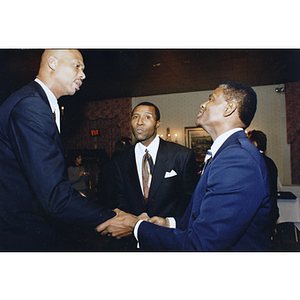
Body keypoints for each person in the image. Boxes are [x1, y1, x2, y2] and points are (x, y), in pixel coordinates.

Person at [96, 81, 273, 251]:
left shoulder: (237, 159)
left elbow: (202, 245)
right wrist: (169, 223)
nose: (203, 104)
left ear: (229, 108)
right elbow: (203, 217)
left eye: (211, 99)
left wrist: (136, 226)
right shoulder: (226, 154)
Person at [0, 49, 119, 251]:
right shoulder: (31, 106)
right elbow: (54, 196)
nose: (83, 74)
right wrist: (112, 218)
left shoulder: (37, 103)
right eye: (77, 66)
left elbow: (40, 176)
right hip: (22, 237)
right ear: (53, 64)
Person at [106, 102, 198, 250]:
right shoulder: (120, 160)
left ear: (157, 123)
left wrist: (169, 222)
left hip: (170, 238)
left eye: (147, 117)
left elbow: (190, 199)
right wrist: (133, 219)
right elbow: (119, 196)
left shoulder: (181, 155)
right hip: (132, 239)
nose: (139, 122)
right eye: (135, 117)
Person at [247, 129, 279, 236]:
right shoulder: (270, 162)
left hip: (258, 217)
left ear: (254, 144)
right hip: (271, 212)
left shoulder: (253, 162)